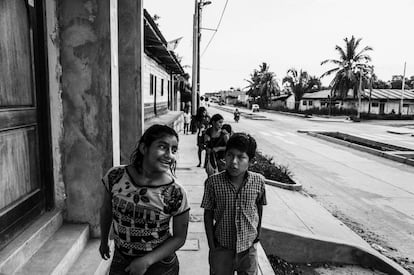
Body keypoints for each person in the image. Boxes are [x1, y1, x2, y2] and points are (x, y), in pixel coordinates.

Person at [99, 124, 190, 275]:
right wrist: (104, 241)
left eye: (173, 150)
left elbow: (180, 237)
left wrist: (146, 261)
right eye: (162, 147)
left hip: (160, 266)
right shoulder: (115, 176)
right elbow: (106, 210)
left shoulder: (176, 192)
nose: (170, 155)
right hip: (121, 259)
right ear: (143, 148)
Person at [201, 133, 267, 275]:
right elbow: (208, 214)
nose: (234, 162)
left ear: (251, 161)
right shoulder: (213, 183)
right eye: (230, 155)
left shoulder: (259, 182)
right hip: (222, 248)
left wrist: (257, 236)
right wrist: (212, 246)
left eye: (241, 157)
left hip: (248, 248)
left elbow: (259, 208)